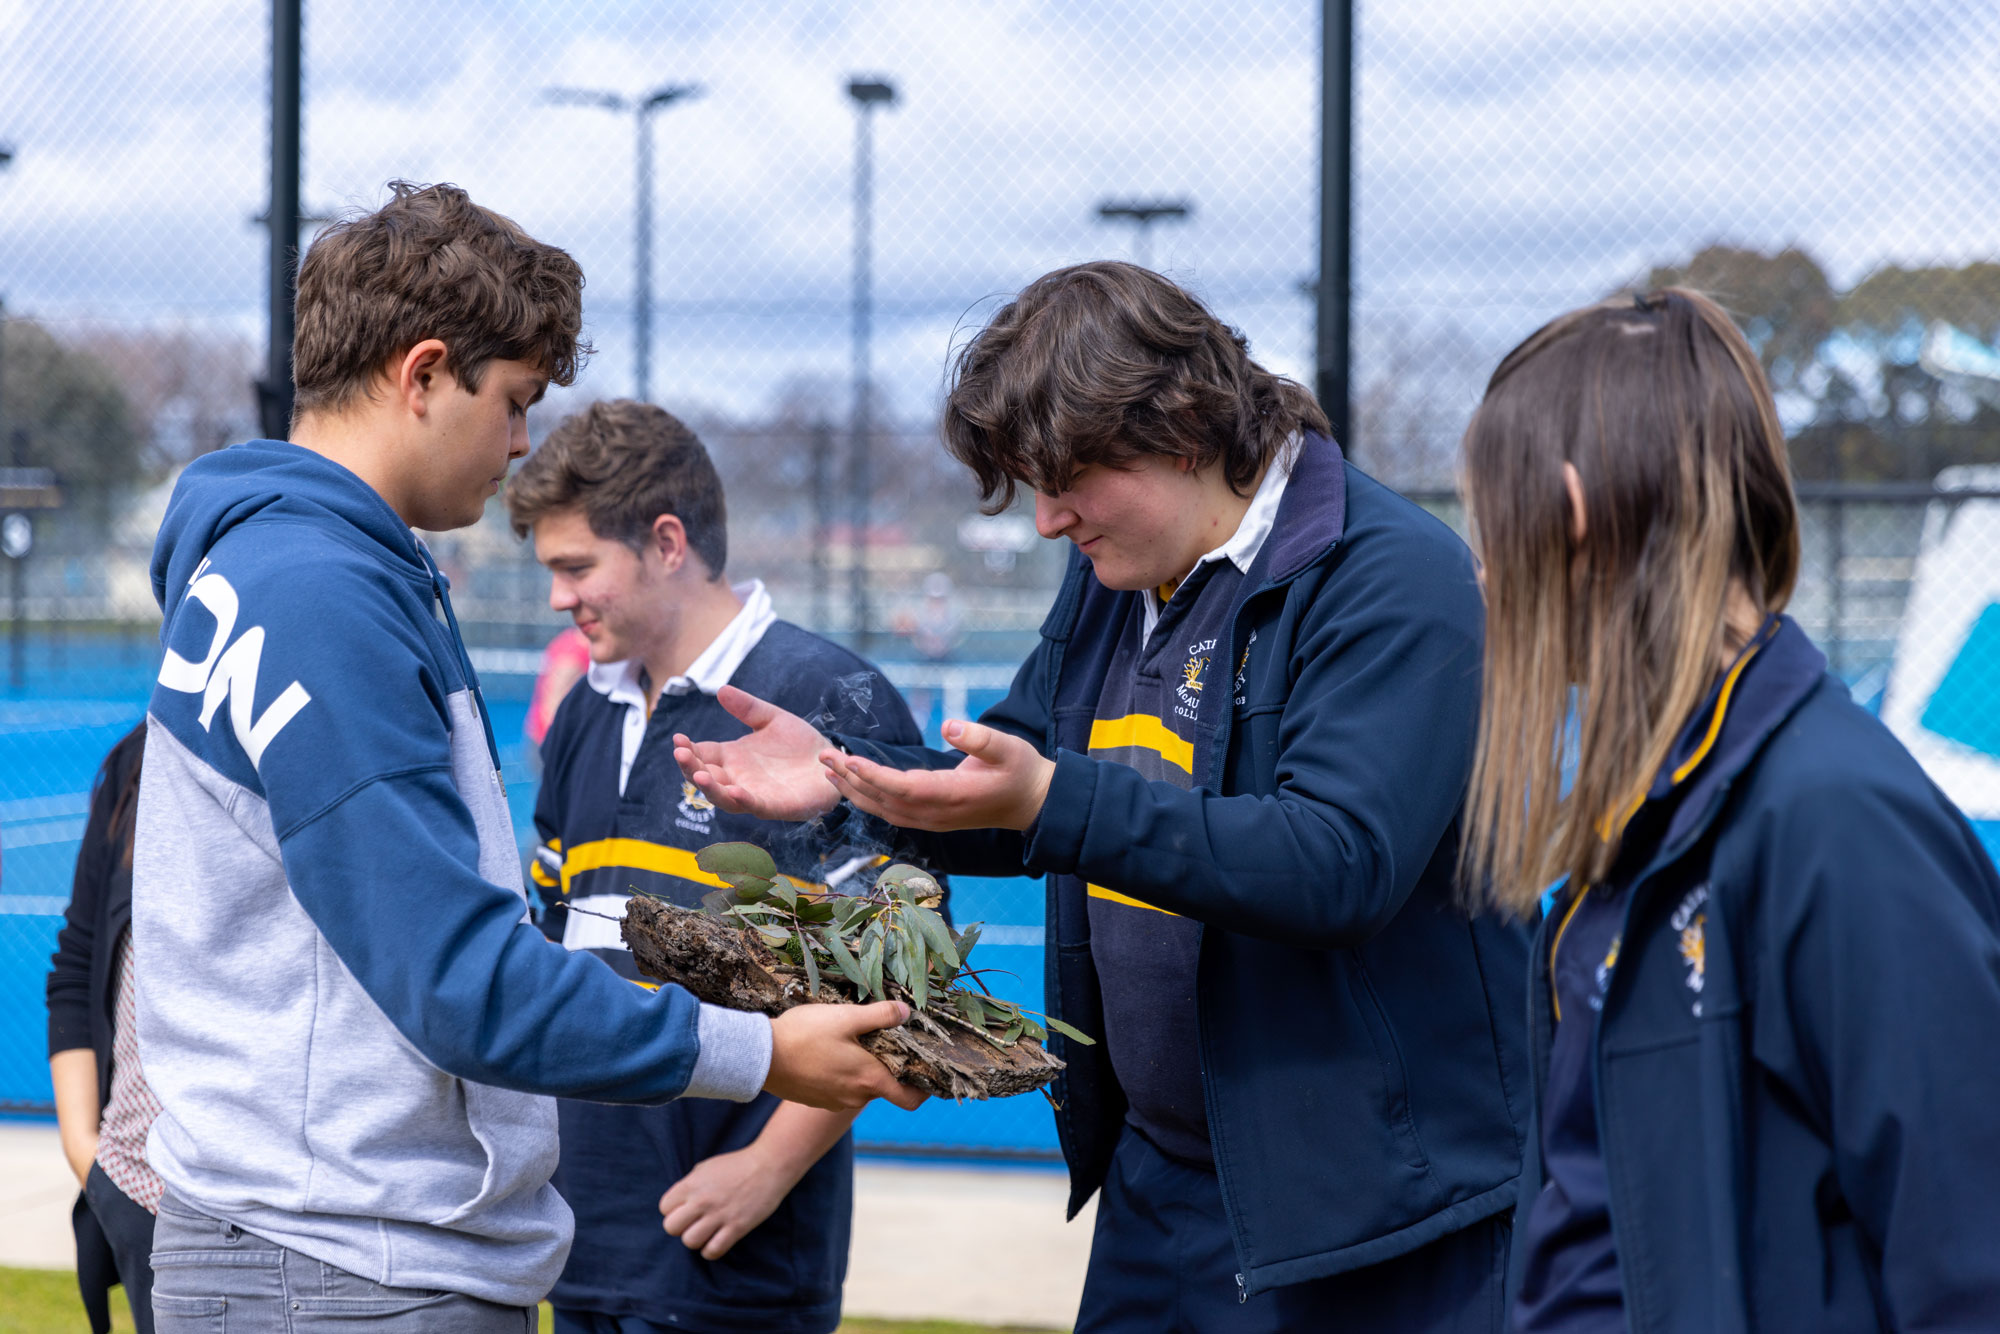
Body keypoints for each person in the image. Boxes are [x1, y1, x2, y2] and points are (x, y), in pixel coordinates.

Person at [676, 261, 1529, 1331]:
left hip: (1370, 1216)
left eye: (1064, 479)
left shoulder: (1391, 576)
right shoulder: (1117, 569)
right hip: (1157, 1185)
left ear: (1179, 430)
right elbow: (1023, 769)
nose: (1043, 521)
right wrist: (852, 775)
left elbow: (1336, 861)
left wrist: (1048, 800)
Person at [133, 182, 921, 1334]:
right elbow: (460, 979)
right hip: (344, 1262)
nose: (516, 442)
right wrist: (757, 1049)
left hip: (327, 1243)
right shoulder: (322, 593)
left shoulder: (303, 564)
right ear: (422, 372)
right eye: (510, 401)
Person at [1459, 288, 2000, 1331]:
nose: (1483, 577)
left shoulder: (1833, 820)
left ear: (1572, 515)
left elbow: (1968, 1266)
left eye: (1492, 532)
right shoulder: (1648, 809)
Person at [508, 399, 934, 1334]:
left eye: (576, 567)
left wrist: (770, 1165)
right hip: (581, 1234)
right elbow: (553, 949)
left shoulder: (833, 698)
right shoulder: (583, 709)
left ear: (667, 542)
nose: (557, 599)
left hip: (738, 1253)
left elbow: (903, 986)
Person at [47, 722, 161, 1334]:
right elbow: (75, 962)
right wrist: (89, 1157)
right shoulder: (135, 767)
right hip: (142, 1200)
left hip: (285, 1214)